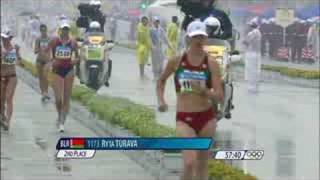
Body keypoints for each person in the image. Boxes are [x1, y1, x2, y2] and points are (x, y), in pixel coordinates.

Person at [157, 20, 223, 180]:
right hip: (184, 119)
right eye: (196, 37)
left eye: (202, 37)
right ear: (188, 38)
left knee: (202, 165)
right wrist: (161, 101)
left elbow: (220, 96)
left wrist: (204, 91)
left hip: (206, 118)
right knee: (189, 162)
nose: (199, 41)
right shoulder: (177, 61)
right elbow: (161, 81)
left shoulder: (212, 63)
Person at [49, 22, 79, 132]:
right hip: (57, 70)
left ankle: (62, 122)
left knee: (66, 98)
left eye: (67, 29)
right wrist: (53, 61)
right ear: (60, 30)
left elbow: (78, 57)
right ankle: (59, 115)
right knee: (58, 99)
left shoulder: (73, 42)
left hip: (69, 71)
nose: (65, 31)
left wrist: (74, 62)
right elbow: (49, 54)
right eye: (63, 29)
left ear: (69, 30)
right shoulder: (54, 41)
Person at [0, 30, 24, 131]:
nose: (4, 40)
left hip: (12, 77)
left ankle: (8, 122)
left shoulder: (14, 48)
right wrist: (3, 56)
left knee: (9, 98)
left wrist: (18, 54)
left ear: (10, 39)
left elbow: (20, 63)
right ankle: (3, 116)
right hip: (2, 77)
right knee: (1, 100)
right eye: (2, 38)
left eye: (6, 38)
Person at [243, 18, 262, 93]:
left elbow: (246, 42)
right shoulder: (258, 32)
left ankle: (251, 86)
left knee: (250, 69)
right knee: (256, 69)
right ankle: (255, 85)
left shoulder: (252, 33)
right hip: (257, 53)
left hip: (251, 53)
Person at [34, 24, 51, 103]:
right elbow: (35, 51)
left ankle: (46, 92)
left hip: (47, 61)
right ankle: (43, 93)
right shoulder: (38, 39)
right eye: (42, 30)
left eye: (45, 30)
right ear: (40, 31)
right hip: (39, 60)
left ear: (46, 30)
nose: (44, 32)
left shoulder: (50, 39)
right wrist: (40, 49)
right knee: (41, 78)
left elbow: (53, 49)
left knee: (46, 76)